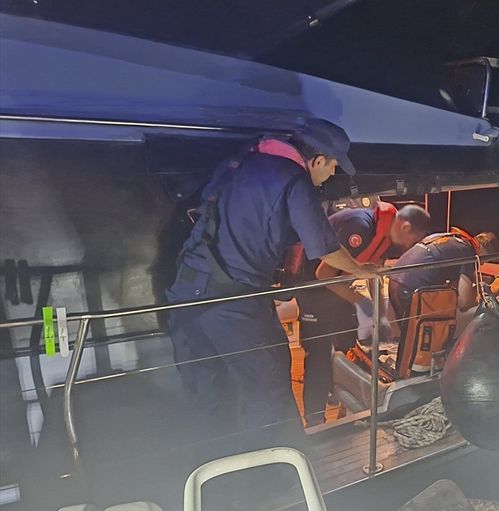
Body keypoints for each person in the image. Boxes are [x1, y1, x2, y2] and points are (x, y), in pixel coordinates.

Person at [165, 119, 379, 449]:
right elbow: (324, 248)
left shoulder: (243, 160)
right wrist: (362, 270)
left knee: (207, 391)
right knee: (268, 388)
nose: (331, 174)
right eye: (333, 166)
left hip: (187, 292)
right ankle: (270, 473)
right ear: (318, 160)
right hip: (232, 299)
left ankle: (211, 469)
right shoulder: (293, 179)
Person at [298, 203, 431, 426]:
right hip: (313, 290)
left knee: (350, 349)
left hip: (337, 288)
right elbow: (323, 274)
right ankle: (315, 421)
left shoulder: (386, 235)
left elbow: (372, 274)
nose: (409, 247)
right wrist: (360, 301)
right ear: (406, 227)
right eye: (413, 240)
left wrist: (380, 316)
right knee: (319, 357)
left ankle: (348, 412)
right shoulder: (358, 227)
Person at [388, 228, 479, 373]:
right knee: (418, 336)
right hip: (411, 288)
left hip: (395, 280)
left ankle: (406, 369)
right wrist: (479, 297)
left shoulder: (450, 238)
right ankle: (417, 372)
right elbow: (464, 302)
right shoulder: (468, 251)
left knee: (409, 337)